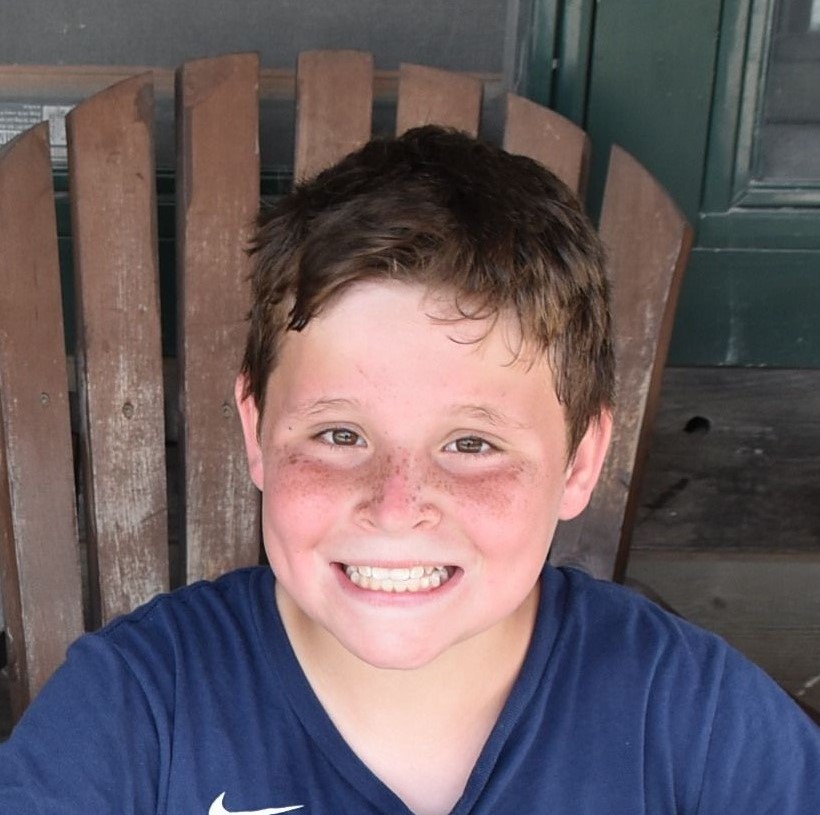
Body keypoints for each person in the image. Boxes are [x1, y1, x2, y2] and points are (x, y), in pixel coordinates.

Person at [0, 125, 817, 814]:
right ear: (256, 432)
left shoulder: (690, 718)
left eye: (472, 445)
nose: (395, 506)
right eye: (339, 434)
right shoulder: (136, 712)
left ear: (580, 461)